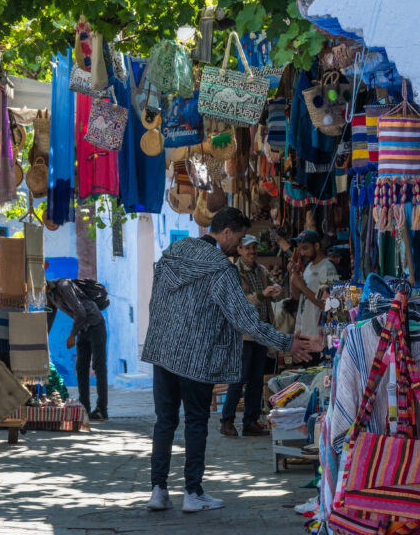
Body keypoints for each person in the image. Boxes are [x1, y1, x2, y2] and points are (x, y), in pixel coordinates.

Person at [141, 208, 312, 514]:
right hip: (195, 354)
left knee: (165, 420)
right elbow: (245, 319)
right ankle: (192, 492)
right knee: (195, 421)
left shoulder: (173, 252)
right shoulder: (220, 268)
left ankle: (158, 489)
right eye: (239, 238)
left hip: (163, 350)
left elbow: (156, 300)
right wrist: (286, 343)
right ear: (227, 232)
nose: (238, 245)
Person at [220, 234, 282, 438]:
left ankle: (250, 421)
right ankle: (227, 420)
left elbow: (274, 292)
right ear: (239, 250)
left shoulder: (261, 270)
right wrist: (263, 294)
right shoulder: (234, 273)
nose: (252, 252)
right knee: (238, 379)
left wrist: (276, 289)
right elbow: (240, 303)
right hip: (243, 334)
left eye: (254, 248)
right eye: (247, 248)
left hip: (260, 332)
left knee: (256, 379)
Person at [46, 278, 108, 421]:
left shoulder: (63, 286)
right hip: (82, 329)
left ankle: (102, 409)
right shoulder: (49, 295)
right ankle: (84, 407)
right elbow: (49, 316)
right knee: (81, 368)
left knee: (99, 366)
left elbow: (80, 311)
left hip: (95, 324)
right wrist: (43, 338)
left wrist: (72, 335)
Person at [289, 230, 339, 338]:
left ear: (316, 246)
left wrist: (301, 285)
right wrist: (294, 276)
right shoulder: (309, 267)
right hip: (302, 330)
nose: (302, 253)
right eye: (300, 249)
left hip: (316, 335)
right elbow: (297, 296)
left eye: (305, 248)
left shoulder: (327, 268)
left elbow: (327, 305)